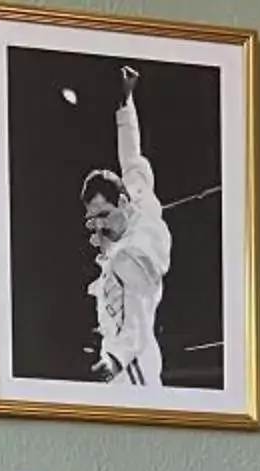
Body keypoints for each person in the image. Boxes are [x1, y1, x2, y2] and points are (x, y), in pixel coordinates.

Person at [81, 64, 170, 386]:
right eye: (93, 219)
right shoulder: (137, 196)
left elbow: (139, 318)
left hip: (132, 363)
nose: (98, 227)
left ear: (120, 203)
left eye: (103, 216)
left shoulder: (134, 251)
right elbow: (132, 158)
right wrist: (124, 104)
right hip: (119, 350)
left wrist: (115, 359)